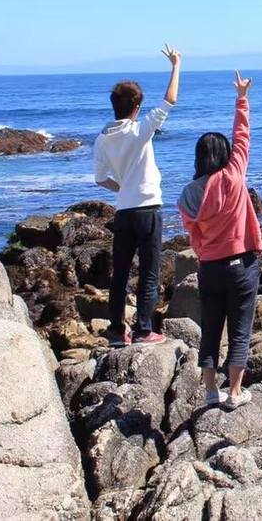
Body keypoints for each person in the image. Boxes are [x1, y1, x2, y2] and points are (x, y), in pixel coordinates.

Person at [177, 71, 262, 408]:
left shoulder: (188, 194)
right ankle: (236, 392)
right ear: (225, 155)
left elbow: (194, 236)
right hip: (242, 264)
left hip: (209, 267)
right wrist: (242, 98)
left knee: (211, 327)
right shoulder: (233, 175)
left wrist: (204, 254)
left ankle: (211, 391)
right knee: (241, 327)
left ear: (199, 158)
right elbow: (242, 137)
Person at [94, 45, 182, 347]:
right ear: (135, 108)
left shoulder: (103, 139)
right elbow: (170, 99)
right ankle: (144, 330)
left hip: (123, 212)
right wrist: (176, 64)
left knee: (119, 273)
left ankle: (117, 331)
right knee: (148, 271)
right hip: (148, 209)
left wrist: (123, 188)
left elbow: (100, 179)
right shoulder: (138, 131)